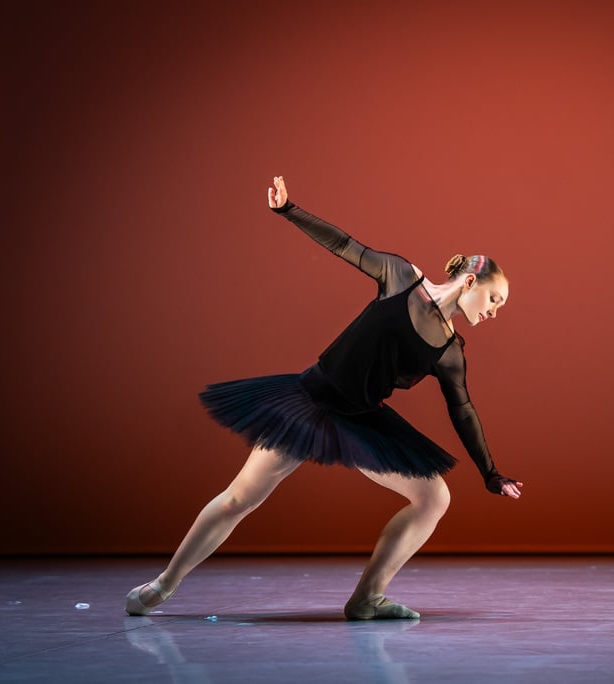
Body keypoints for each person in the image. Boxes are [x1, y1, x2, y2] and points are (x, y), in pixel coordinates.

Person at [125, 176, 523, 620]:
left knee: (435, 498)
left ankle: (367, 598)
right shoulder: (401, 277)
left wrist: (490, 472)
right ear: (469, 281)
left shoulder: (450, 351)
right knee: (241, 497)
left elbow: (462, 409)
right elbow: (344, 245)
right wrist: (288, 209)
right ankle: (165, 583)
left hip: (363, 418)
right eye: (494, 299)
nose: (494, 311)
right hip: (312, 400)